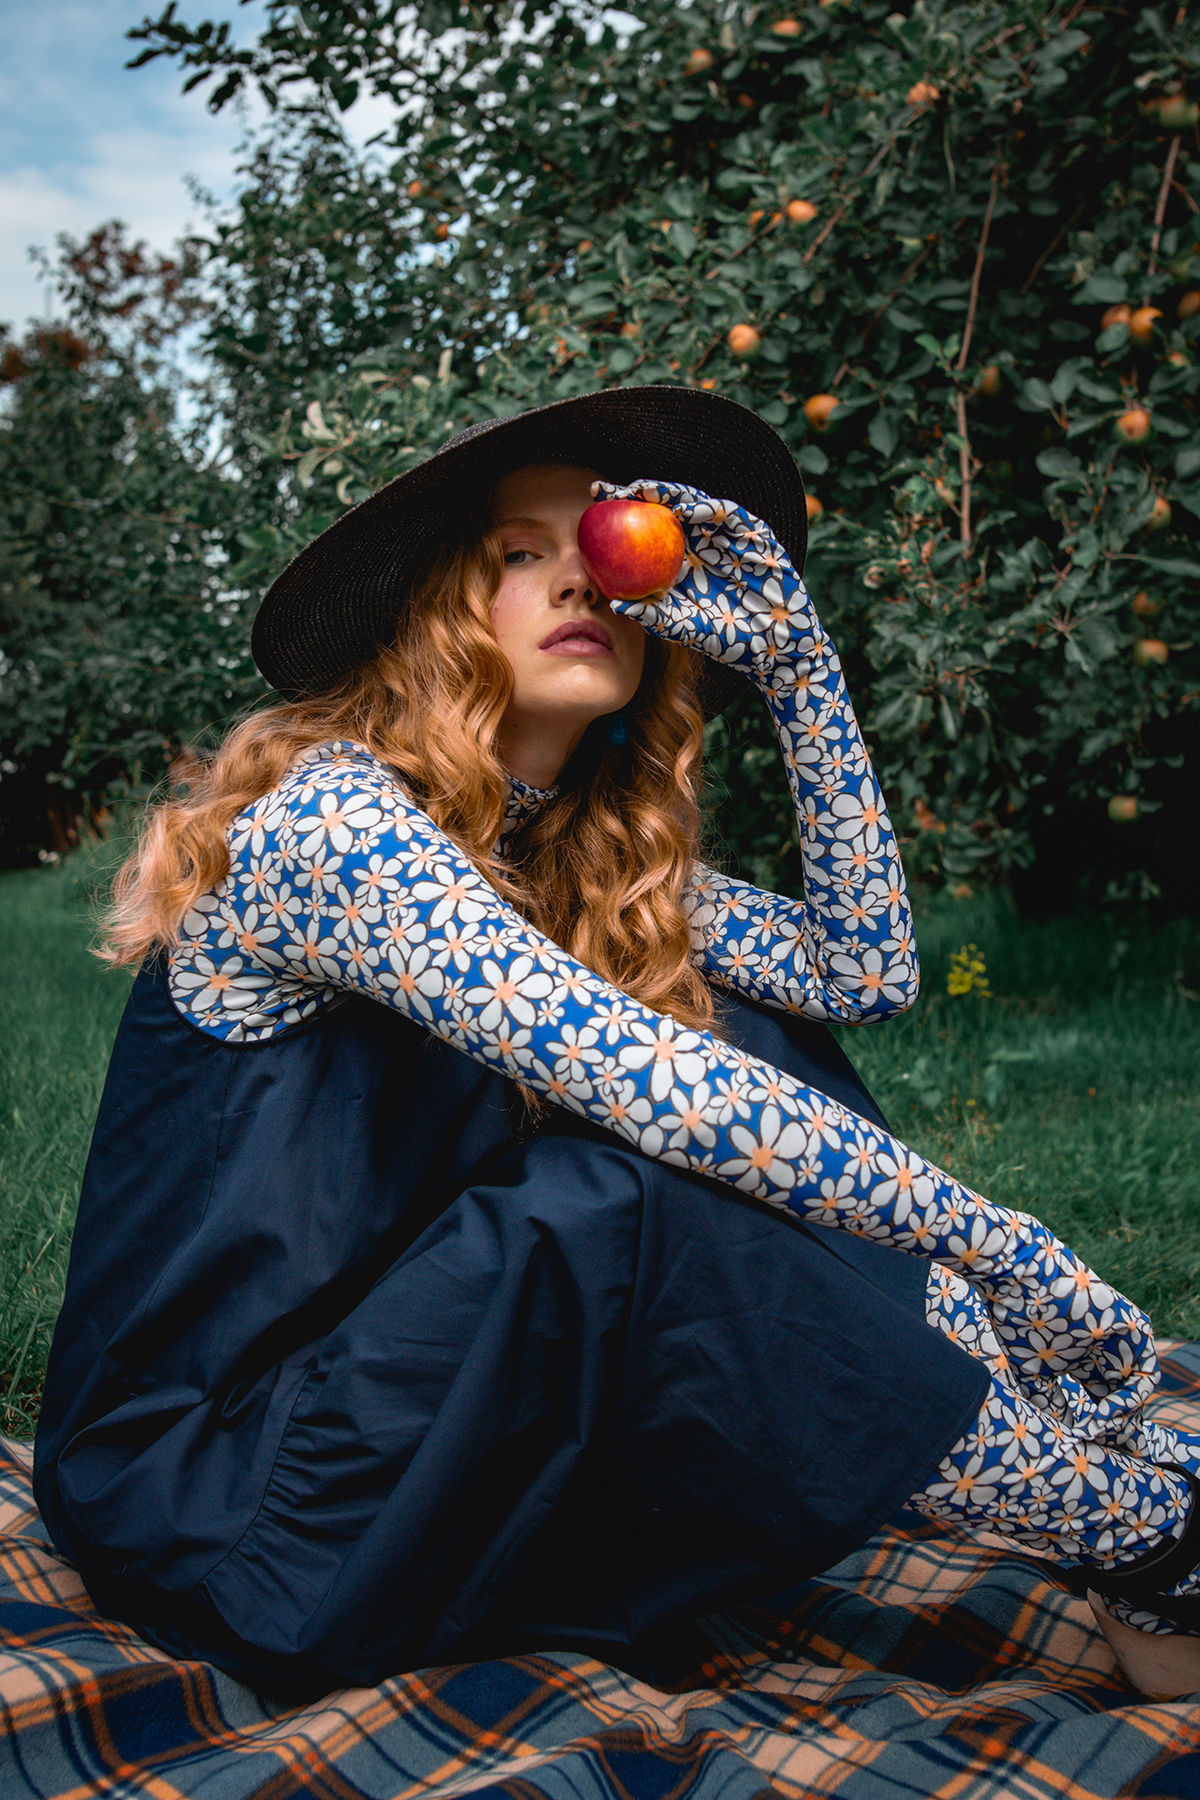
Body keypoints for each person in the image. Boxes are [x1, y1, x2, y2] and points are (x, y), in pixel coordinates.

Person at [32, 386, 1200, 1700]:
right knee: (633, 1178)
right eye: (516, 552)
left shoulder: (572, 855)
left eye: (596, 545)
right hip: (226, 1509)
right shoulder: (334, 826)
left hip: (420, 1443)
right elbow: (666, 1096)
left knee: (756, 1030)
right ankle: (1143, 1531)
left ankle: (1076, 1465)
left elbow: (860, 972)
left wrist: (800, 670)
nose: (575, 576)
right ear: (429, 606)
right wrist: (999, 1246)